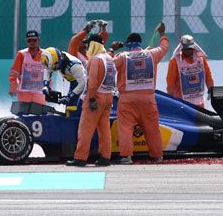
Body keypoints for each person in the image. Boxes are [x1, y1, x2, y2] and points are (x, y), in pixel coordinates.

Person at [114, 22, 170, 164]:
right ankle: (157, 156)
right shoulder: (152, 54)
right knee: (152, 129)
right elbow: (164, 47)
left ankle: (126, 156)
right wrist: (162, 34)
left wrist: (111, 49)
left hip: (127, 99)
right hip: (148, 99)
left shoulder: (122, 56)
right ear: (140, 43)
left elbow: (108, 64)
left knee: (125, 128)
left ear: (128, 44)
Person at [66, 33, 117, 167]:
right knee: (104, 129)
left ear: (94, 45)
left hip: (95, 97)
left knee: (85, 129)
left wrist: (92, 98)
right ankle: (105, 157)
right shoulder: (109, 58)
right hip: (108, 96)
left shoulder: (95, 60)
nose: (87, 46)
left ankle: (80, 158)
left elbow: (92, 82)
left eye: (89, 44)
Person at [166, 35, 214, 108]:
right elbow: (170, 80)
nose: (187, 51)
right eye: (185, 49)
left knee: (200, 119)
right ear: (181, 48)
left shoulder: (200, 58)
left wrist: (211, 88)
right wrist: (170, 96)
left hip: (199, 102)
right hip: (181, 102)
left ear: (193, 47)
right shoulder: (175, 61)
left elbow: (207, 74)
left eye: (189, 49)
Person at [9, 29, 46, 105]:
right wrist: (13, 86)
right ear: (26, 41)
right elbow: (14, 72)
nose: (32, 42)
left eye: (34, 40)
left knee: (40, 113)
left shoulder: (45, 54)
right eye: (29, 41)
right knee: (24, 113)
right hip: (24, 91)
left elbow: (48, 73)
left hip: (39, 92)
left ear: (38, 40)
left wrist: (48, 88)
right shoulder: (21, 54)